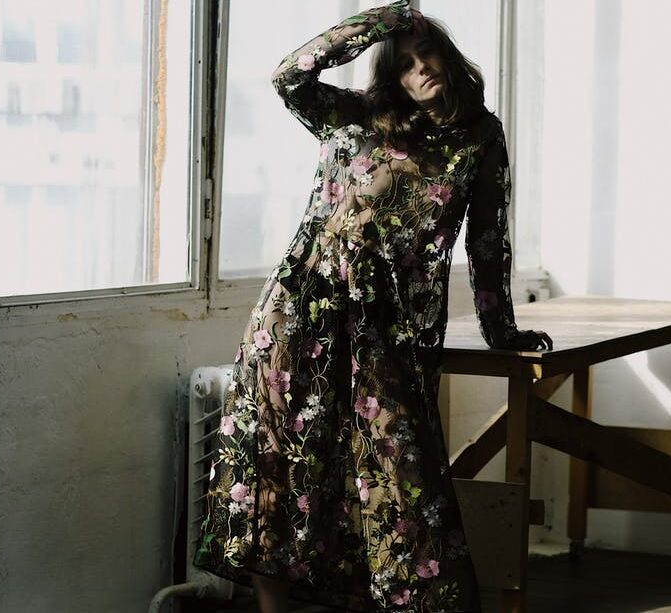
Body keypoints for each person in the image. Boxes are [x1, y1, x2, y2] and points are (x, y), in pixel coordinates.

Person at [193, 2, 553, 611]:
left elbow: (488, 240)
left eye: (426, 54)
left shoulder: (479, 137)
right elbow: (288, 76)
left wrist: (503, 331)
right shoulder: (358, 118)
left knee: (396, 479)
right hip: (298, 313)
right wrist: (384, 22)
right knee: (277, 465)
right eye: (405, 65)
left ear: (446, 52)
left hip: (388, 330)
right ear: (392, 76)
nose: (420, 70)